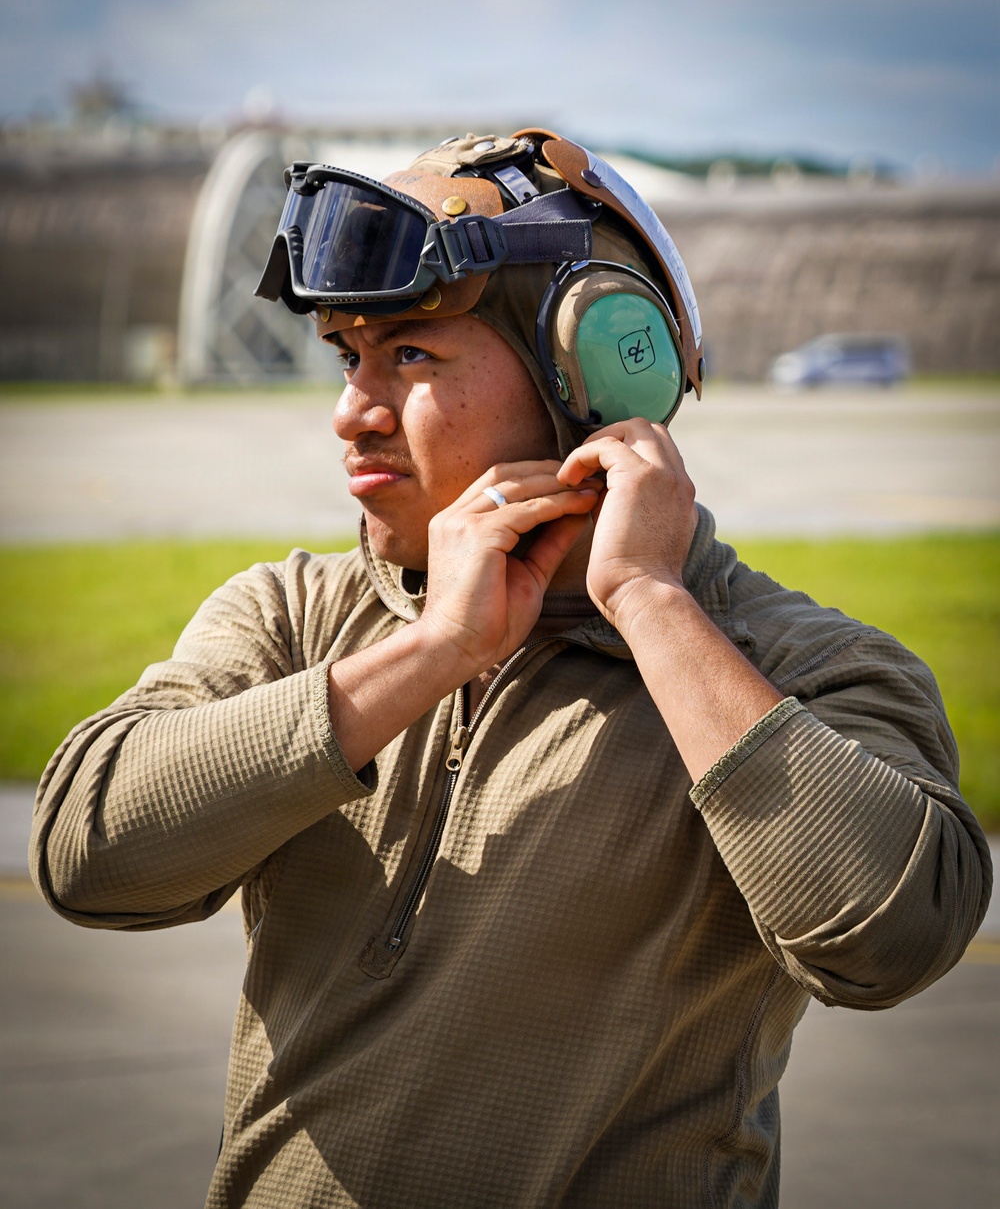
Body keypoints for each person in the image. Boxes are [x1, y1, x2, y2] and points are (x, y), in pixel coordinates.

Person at [30, 131, 990, 1209]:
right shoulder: (291, 615)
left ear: (593, 375)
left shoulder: (804, 668)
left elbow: (893, 937)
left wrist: (648, 601)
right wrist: (433, 650)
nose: (353, 409)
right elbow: (86, 853)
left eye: (411, 355)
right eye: (349, 356)